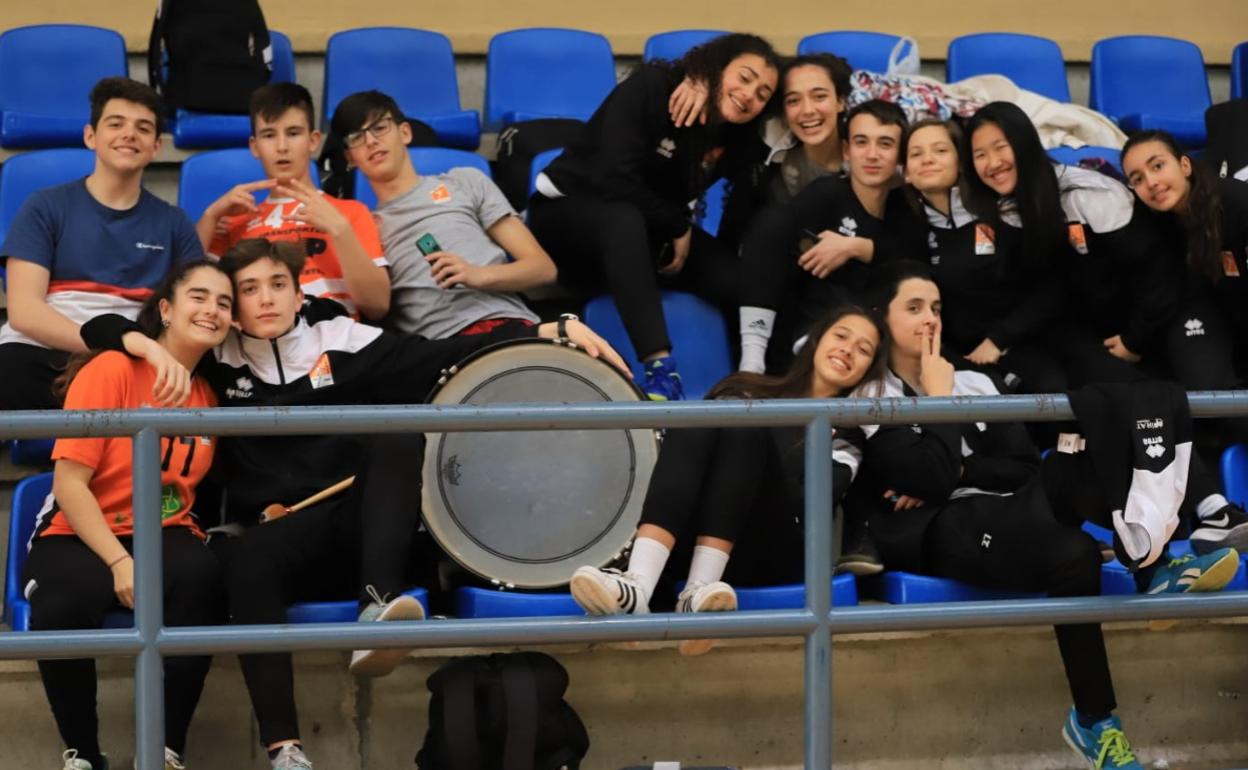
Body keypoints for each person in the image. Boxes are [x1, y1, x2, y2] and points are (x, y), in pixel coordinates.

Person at [82, 239, 625, 770]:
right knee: (248, 558)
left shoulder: (345, 340)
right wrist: (151, 347)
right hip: (275, 543)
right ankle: (286, 752)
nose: (266, 298)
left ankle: (378, 610)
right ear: (234, 307)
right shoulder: (215, 359)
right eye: (248, 290)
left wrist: (551, 326)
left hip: (359, 532)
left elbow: (447, 353)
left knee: (399, 436)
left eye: (278, 285)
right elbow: (100, 329)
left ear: (300, 296)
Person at [848, 260, 1239, 770]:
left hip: (1011, 506)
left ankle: (1156, 561)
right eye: (915, 308)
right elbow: (930, 483)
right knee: (1074, 554)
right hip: (946, 530)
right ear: (884, 318)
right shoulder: (871, 395)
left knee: (1081, 455)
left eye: (937, 309)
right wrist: (938, 402)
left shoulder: (975, 383)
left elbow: (1020, 467)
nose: (930, 320)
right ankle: (1097, 723)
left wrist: (957, 466)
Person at [569, 306, 884, 654]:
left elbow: (812, 499)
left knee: (744, 428)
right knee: (697, 419)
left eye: (864, 349)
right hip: (696, 533)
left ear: (867, 370)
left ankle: (698, 588)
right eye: (841, 336)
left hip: (774, 549)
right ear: (816, 340)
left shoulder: (848, 433)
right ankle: (639, 586)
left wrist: (778, 449)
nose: (848, 350)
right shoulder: (747, 386)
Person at [27, 260, 233, 770]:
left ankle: (164, 750)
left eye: (225, 303)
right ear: (165, 309)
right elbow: (69, 487)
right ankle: (82, 754)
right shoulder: (112, 368)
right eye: (199, 297)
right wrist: (120, 562)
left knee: (203, 578)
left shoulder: (209, 394)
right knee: (61, 606)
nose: (211, 310)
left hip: (165, 530)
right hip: (79, 530)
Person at [528, 33, 781, 400]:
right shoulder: (653, 88)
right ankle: (660, 369)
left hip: (643, 234)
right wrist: (678, 223)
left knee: (735, 276)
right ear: (716, 69)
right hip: (566, 220)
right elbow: (612, 178)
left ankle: (759, 380)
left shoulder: (735, 136)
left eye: (763, 94)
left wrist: (675, 224)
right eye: (744, 77)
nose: (750, 95)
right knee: (623, 217)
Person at [0, 77, 203, 410]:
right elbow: (24, 312)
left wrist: (131, 352)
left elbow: (194, 302)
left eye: (143, 127)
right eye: (116, 123)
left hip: (133, 361)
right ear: (90, 136)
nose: (129, 134)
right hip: (46, 356)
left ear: (155, 146)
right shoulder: (45, 206)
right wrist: (109, 345)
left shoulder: (174, 223)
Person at [961, 101, 1172, 388]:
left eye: (1001, 147)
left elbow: (1156, 267)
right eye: (980, 154)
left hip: (1156, 319)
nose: (993, 163)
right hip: (1087, 331)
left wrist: (1134, 340)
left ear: (1024, 143)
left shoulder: (1089, 194)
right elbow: (1054, 286)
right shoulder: (1005, 211)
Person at [331, 89, 556, 338]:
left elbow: (542, 269)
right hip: (445, 347)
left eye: (379, 127)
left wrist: (477, 275)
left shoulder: (466, 181)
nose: (371, 141)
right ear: (350, 157)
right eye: (356, 137)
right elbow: (374, 308)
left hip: (515, 325)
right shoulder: (363, 226)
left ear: (404, 132)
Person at [737, 100, 927, 372]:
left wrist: (857, 247)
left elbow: (919, 260)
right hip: (805, 339)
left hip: (878, 346)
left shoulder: (904, 207)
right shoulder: (826, 193)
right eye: (861, 142)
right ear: (847, 151)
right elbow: (769, 236)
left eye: (885, 144)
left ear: (900, 156)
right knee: (772, 223)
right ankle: (752, 362)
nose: (872, 154)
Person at [197, 82, 391, 321]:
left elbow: (378, 305)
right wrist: (210, 216)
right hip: (262, 348)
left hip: (336, 344)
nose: (282, 147)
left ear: (313, 140)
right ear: (255, 146)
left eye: (293, 133)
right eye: (269, 135)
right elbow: (187, 296)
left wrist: (339, 230)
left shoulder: (350, 212)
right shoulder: (234, 223)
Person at [900, 118, 1065, 395]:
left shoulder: (1003, 214)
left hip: (1020, 344)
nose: (927, 160)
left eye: (940, 151)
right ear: (906, 172)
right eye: (916, 154)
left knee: (1051, 392)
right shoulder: (907, 229)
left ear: (962, 162)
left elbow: (1051, 287)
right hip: (955, 358)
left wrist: (998, 340)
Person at [724, 53, 853, 372]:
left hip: (852, 302)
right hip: (782, 304)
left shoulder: (868, 156)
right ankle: (751, 369)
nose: (807, 111)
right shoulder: (768, 166)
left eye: (820, 96)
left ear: (841, 101)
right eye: (793, 100)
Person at [1121, 130, 1248, 402]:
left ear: (1185, 165)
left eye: (1157, 166)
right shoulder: (1153, 223)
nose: (1151, 182)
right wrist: (1134, 339)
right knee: (1209, 396)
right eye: (1138, 179)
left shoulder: (1237, 204)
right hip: (1209, 312)